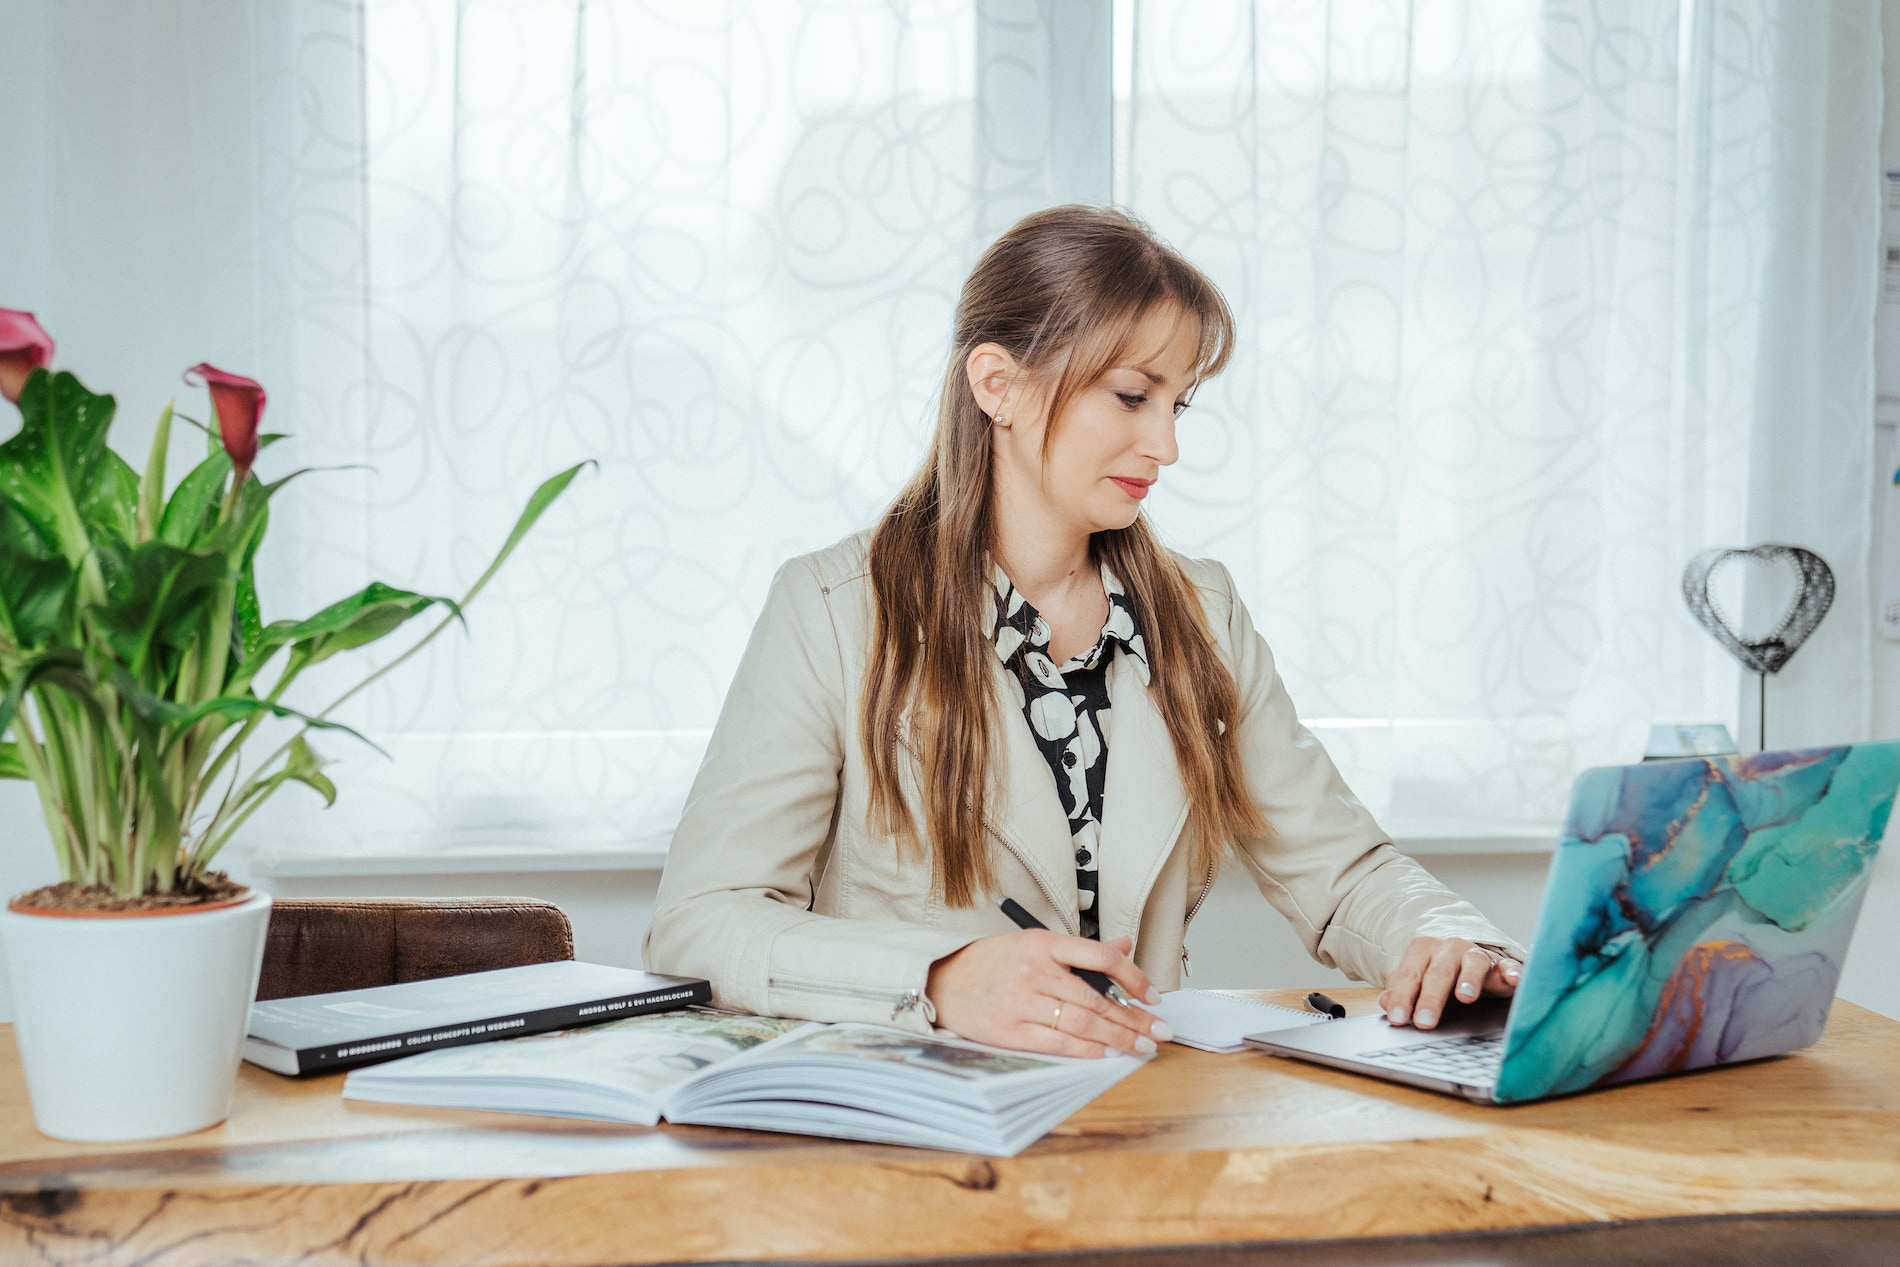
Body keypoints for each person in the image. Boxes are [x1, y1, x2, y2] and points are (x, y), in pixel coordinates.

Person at [645, 206, 1525, 1058]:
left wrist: (1453, 943)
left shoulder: (1204, 616)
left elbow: (1343, 872)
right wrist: (941, 976)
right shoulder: (831, 611)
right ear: (998, 385)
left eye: (1178, 404)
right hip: (917, 1137)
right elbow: (700, 925)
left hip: (1145, 1120)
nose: (1166, 446)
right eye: (1133, 395)